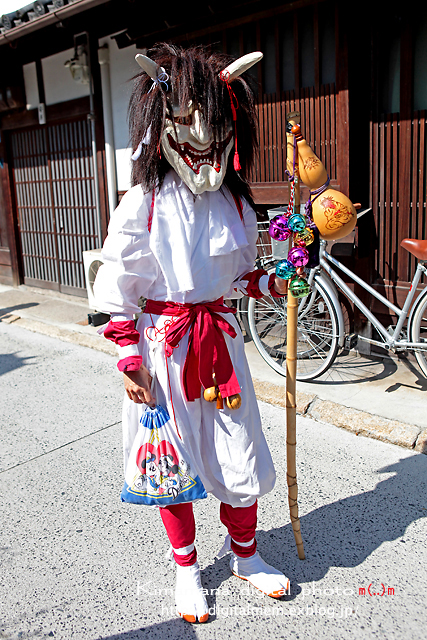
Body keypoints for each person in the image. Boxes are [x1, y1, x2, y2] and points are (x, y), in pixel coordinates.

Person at [94, 42, 291, 624]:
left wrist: (270, 285)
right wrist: (128, 352)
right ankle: (186, 570)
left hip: (220, 338)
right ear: (163, 125)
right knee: (171, 462)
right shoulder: (143, 204)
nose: (201, 135)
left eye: (213, 120)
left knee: (240, 443)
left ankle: (246, 557)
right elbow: (120, 280)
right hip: (163, 344)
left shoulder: (234, 202)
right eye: (187, 120)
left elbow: (238, 276)